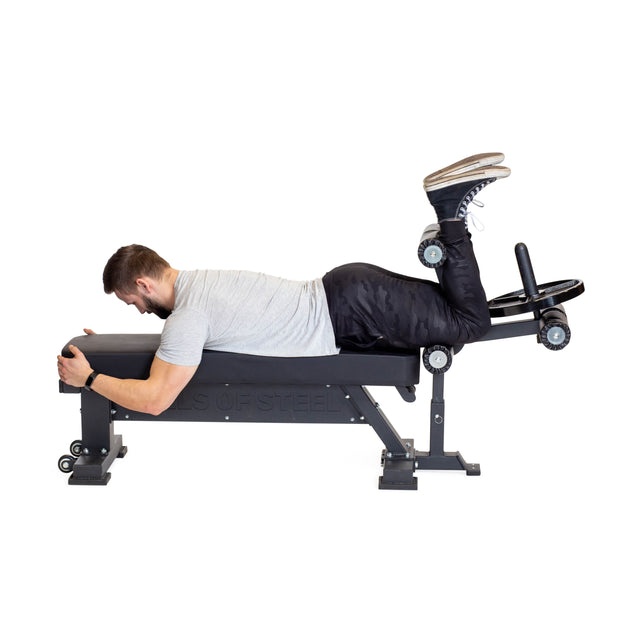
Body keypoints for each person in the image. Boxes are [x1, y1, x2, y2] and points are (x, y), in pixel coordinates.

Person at [57, 152, 510, 415]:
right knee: (459, 313)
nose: (135, 310)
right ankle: (450, 216)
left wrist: (92, 375)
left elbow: (156, 399)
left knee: (471, 323)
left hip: (353, 311)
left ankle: (449, 209)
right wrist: (110, 348)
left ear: (143, 283)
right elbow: (187, 334)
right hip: (351, 292)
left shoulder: (188, 318)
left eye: (131, 300)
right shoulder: (198, 285)